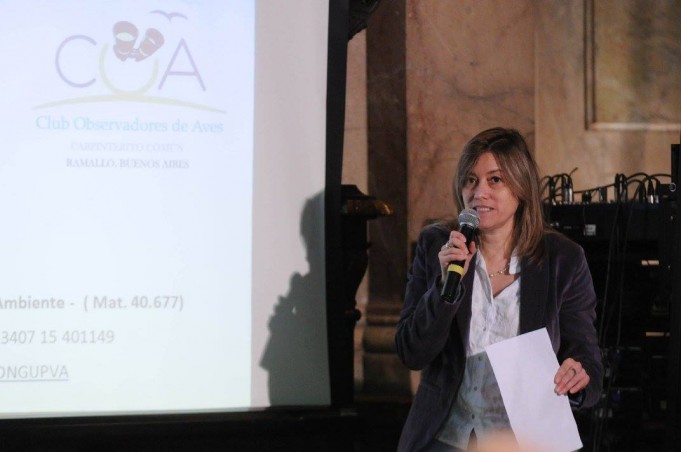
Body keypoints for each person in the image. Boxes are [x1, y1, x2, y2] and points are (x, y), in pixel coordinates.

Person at [395, 127, 603, 451]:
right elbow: (412, 352)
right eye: (470, 180)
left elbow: (586, 357)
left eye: (495, 180)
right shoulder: (437, 246)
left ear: (521, 187)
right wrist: (444, 288)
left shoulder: (563, 260)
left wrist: (578, 373)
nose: (479, 192)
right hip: (446, 437)